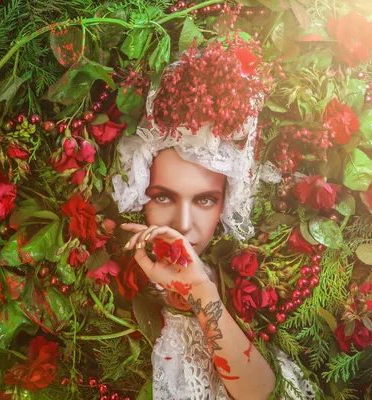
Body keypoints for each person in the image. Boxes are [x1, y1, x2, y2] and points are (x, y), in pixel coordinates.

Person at [111, 52, 316, 400]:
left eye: (205, 200)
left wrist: (203, 294)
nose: (184, 227)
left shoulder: (248, 288)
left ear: (225, 204)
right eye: (162, 198)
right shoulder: (110, 290)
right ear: (139, 193)